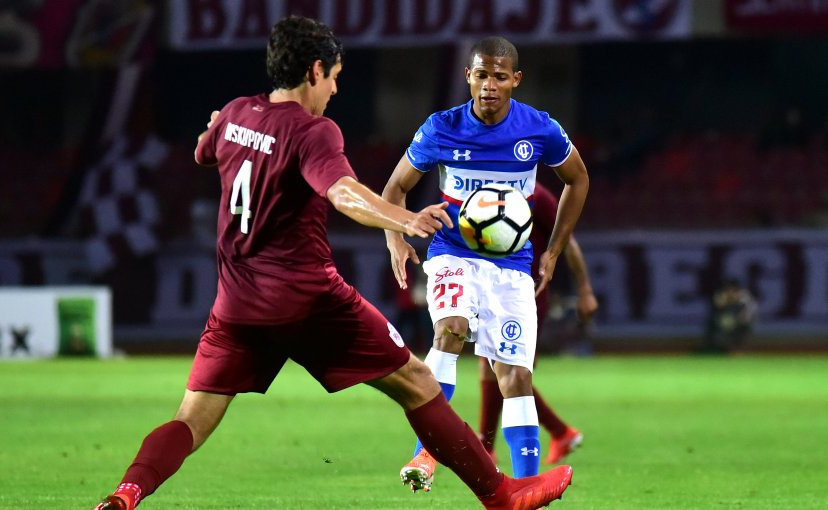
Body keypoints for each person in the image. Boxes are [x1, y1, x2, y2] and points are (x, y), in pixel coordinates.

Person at [93, 16, 572, 510]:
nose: (336, 89)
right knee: (418, 381)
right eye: (335, 76)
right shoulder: (314, 131)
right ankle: (500, 495)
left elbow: (203, 152)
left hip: (236, 306)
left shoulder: (237, 113)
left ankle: (126, 493)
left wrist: (222, 125)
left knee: (189, 421)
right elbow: (343, 193)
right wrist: (404, 220)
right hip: (309, 300)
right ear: (315, 70)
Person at [382, 36, 589, 492]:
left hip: (512, 266)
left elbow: (578, 179)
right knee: (450, 329)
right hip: (452, 254)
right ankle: (425, 452)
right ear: (468, 77)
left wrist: (553, 250)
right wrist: (396, 239)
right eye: (481, 75)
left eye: (499, 76)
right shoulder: (440, 128)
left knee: (515, 375)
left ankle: (528, 486)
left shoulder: (539, 129)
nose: (489, 85)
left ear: (515, 80)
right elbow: (395, 189)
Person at [476, 183, 598, 468]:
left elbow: (568, 240)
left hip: (528, 293)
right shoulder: (482, 192)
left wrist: (584, 289)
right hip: (493, 290)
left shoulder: (536, 195)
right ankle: (558, 432)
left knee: (508, 369)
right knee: (495, 367)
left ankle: (488, 446)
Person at [702, 278, 758, 353]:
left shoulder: (744, 295)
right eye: (728, 288)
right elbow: (718, 305)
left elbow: (741, 309)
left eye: (731, 288)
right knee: (716, 324)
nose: (729, 290)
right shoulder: (723, 294)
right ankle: (714, 349)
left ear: (736, 288)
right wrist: (725, 300)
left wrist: (731, 299)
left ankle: (738, 350)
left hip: (744, 322)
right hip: (730, 323)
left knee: (739, 334)